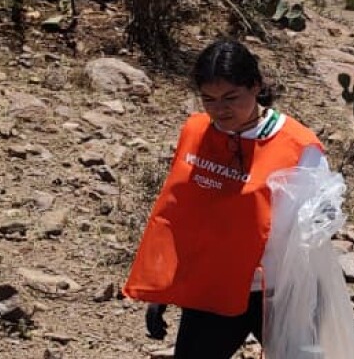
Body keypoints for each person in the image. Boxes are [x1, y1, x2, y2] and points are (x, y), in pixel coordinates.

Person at [124, 38, 326, 357]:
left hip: (277, 294)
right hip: (214, 290)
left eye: (232, 97)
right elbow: (182, 215)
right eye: (209, 99)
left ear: (256, 86)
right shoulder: (197, 132)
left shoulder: (298, 146)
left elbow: (317, 227)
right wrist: (163, 290)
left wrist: (308, 301)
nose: (221, 109)